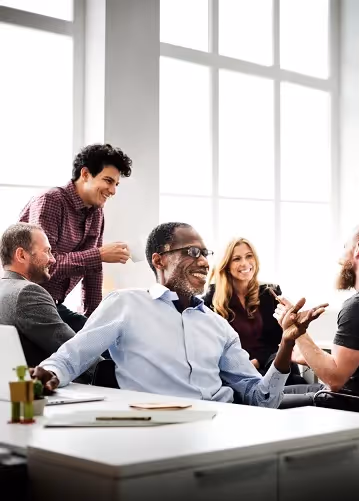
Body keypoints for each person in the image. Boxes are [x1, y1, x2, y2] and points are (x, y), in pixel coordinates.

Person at [30, 223, 326, 408]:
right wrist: (50, 373)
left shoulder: (218, 326)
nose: (204, 262)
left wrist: (287, 344)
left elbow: (262, 400)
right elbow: (71, 357)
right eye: (192, 252)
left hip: (226, 425)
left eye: (205, 253)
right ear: (159, 260)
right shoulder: (126, 304)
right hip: (159, 427)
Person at [275, 222, 359, 411]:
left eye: (346, 246)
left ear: (358, 248)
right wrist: (305, 354)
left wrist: (297, 331)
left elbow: (335, 379)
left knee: (261, 401)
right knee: (267, 391)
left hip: (348, 406)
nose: (340, 257)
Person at [19, 144, 133, 332]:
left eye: (116, 184)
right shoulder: (50, 201)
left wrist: (93, 321)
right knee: (79, 351)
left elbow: (93, 273)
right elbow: (44, 265)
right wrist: (99, 255)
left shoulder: (96, 213)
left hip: (53, 304)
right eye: (108, 181)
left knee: (107, 340)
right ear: (85, 174)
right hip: (27, 303)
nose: (113, 191)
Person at [203, 237, 305, 384]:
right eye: (236, 259)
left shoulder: (270, 293)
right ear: (226, 265)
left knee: (299, 385)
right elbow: (213, 347)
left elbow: (281, 340)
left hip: (271, 367)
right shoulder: (211, 299)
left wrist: (258, 361)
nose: (245, 263)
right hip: (235, 375)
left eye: (249, 256)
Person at [0, 223, 74, 366]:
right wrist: (112, 374)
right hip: (35, 386)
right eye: (47, 251)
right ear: (21, 255)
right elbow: (72, 351)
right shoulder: (28, 293)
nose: (53, 259)